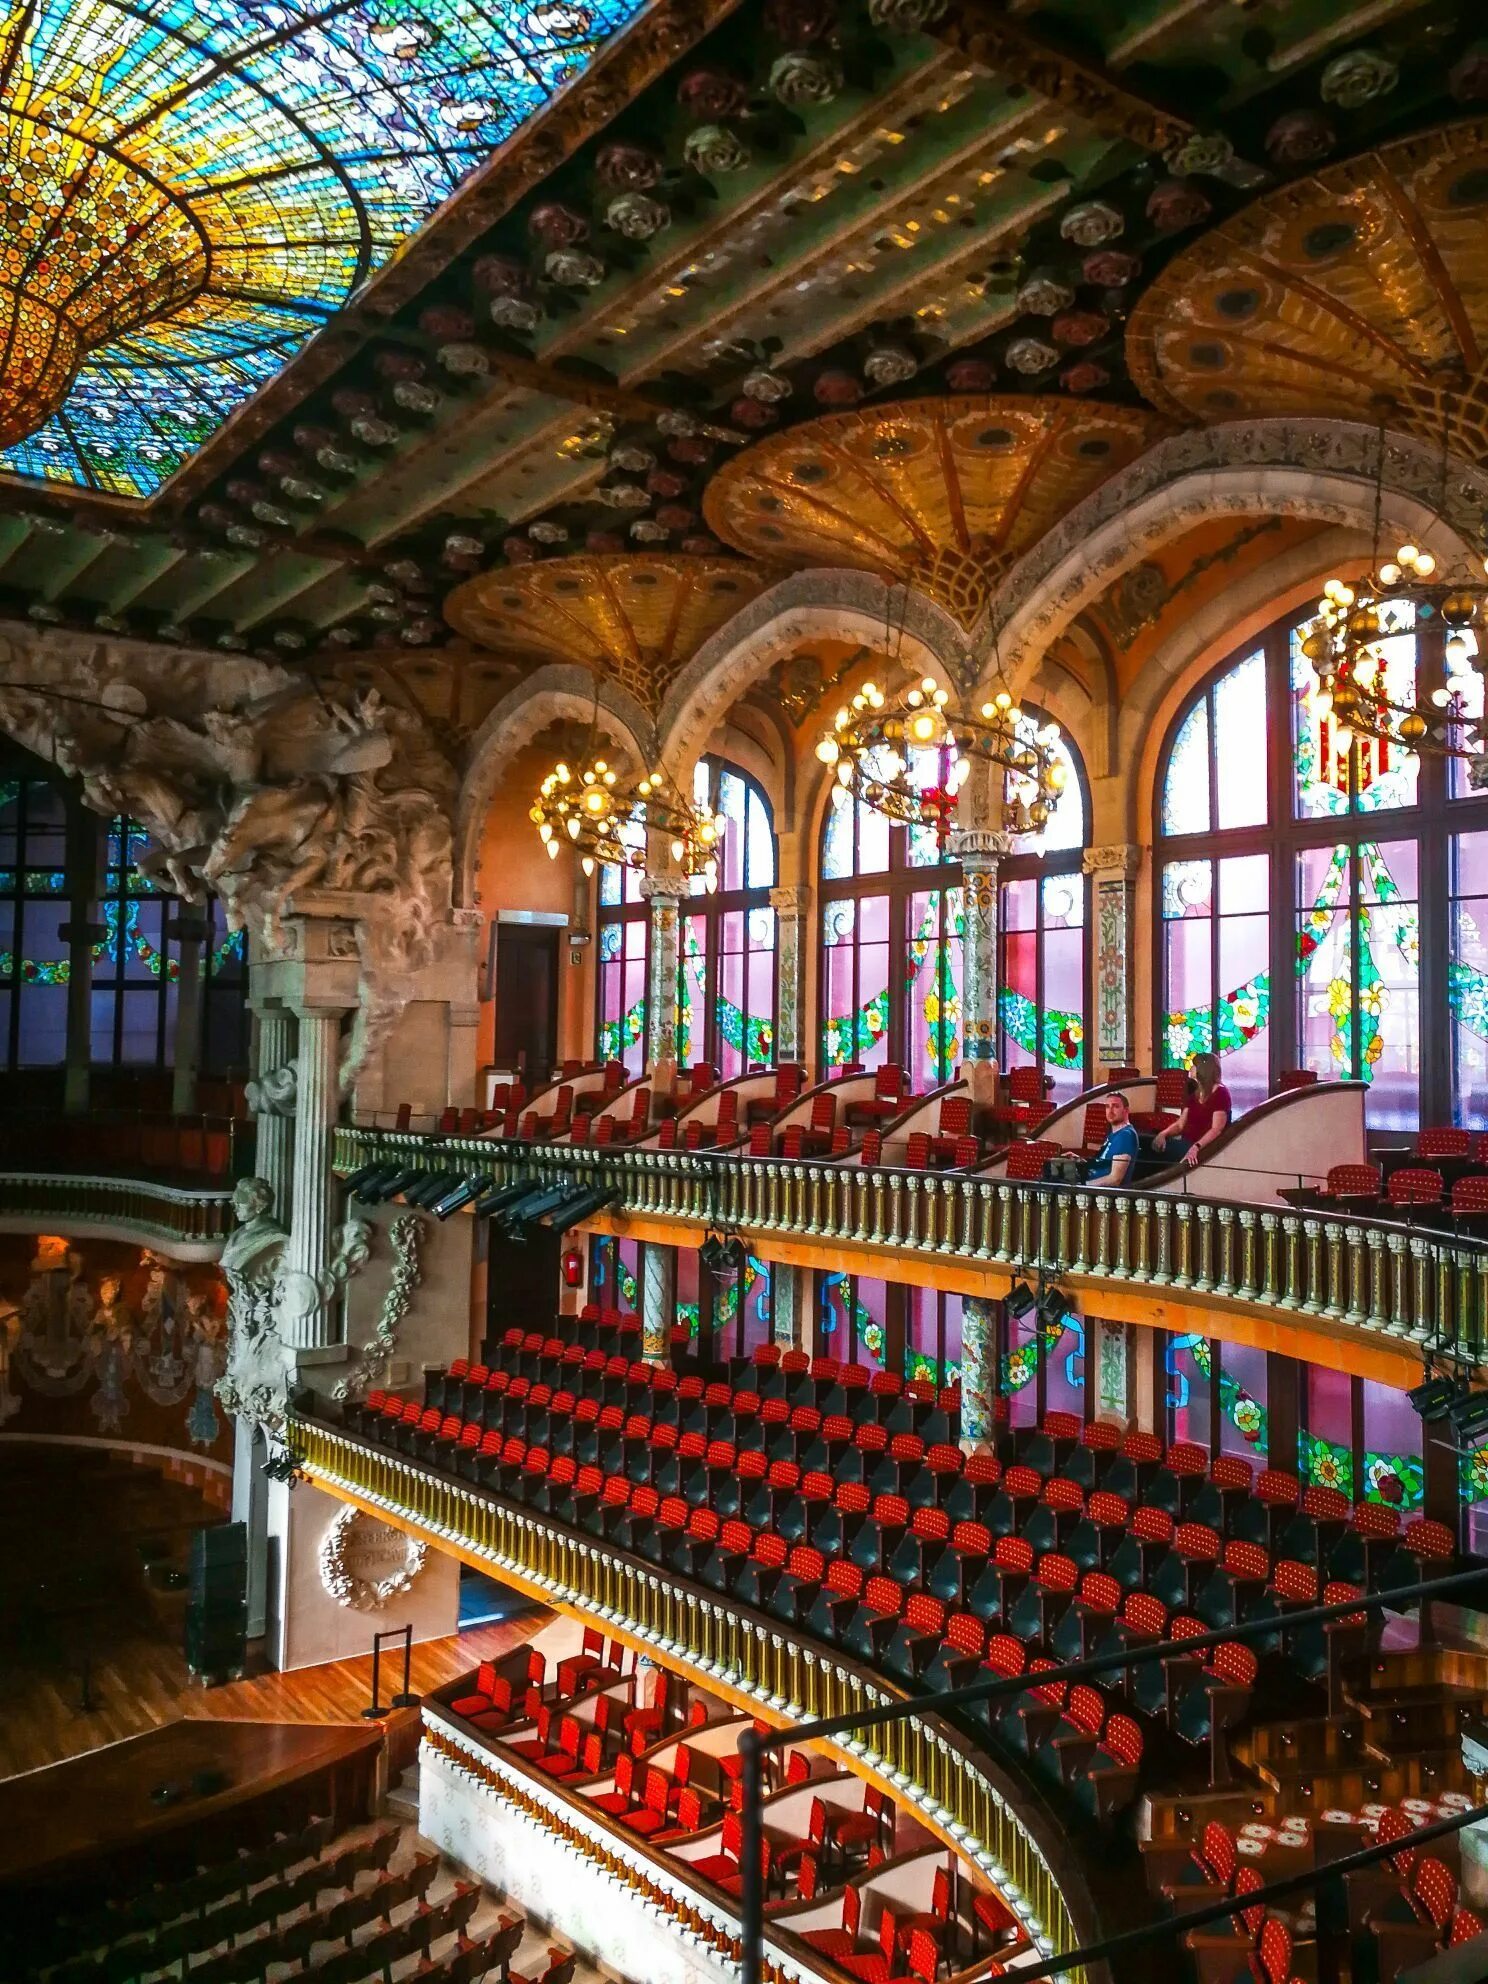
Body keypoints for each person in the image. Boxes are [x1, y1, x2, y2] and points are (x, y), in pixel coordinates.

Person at [1154, 1051, 1232, 1169]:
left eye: (1194, 1065)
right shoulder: (1194, 1094)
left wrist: (1196, 1147)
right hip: (1186, 1143)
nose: (1190, 1068)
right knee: (1146, 1145)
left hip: (1204, 1148)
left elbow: (1216, 1129)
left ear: (1203, 1069)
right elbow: (1180, 1125)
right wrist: (1163, 1134)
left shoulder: (1221, 1093)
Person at [1085, 1090, 1140, 1185]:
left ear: (1126, 1110)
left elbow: (1115, 1179)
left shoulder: (1126, 1135)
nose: (1110, 1111)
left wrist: (1084, 1185)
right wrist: (1078, 1160)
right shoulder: (1114, 1134)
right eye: (1107, 1107)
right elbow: (1102, 1162)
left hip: (1102, 1195)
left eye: (1115, 1106)